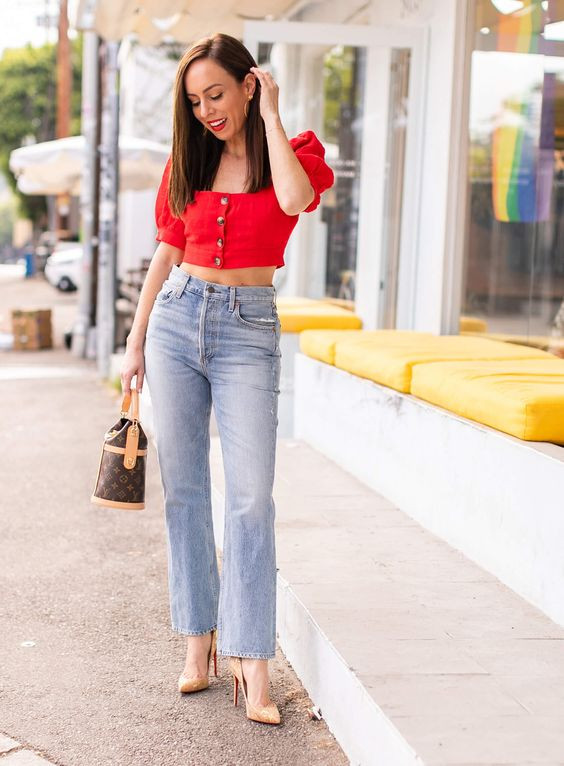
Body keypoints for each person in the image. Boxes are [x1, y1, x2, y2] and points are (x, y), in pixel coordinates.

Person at [120, 32, 334, 726]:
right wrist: (136, 334)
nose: (208, 109)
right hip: (178, 318)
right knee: (185, 493)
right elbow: (168, 247)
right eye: (196, 99)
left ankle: (252, 661)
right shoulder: (191, 158)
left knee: (249, 500)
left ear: (250, 83)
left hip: (248, 327)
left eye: (218, 93)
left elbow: (298, 202)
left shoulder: (293, 152)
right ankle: (198, 643)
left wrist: (270, 116)